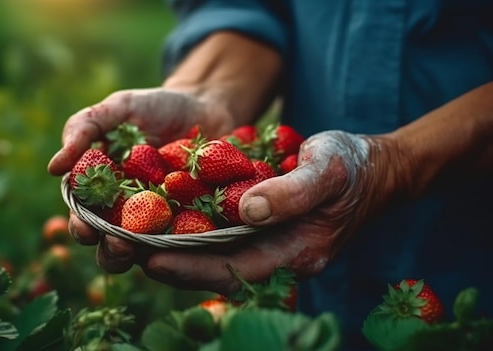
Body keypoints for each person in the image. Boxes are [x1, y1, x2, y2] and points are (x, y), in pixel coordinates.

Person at [48, 1, 493, 349]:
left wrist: (396, 163)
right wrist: (207, 95)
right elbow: (247, 5)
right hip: (307, 253)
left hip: (469, 255)